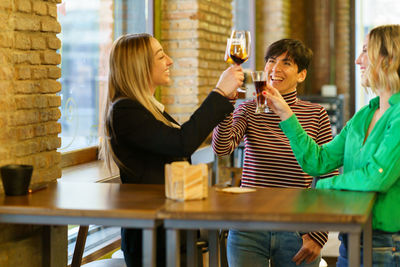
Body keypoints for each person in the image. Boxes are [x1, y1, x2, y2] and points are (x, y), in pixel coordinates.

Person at [99, 33, 244, 267]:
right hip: (151, 238)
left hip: (168, 230)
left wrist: (224, 99)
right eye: (160, 56)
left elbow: (179, 143)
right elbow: (182, 142)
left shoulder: (147, 109)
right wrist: (218, 92)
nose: (170, 61)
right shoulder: (125, 111)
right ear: (140, 66)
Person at [266, 25, 400, 266]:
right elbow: (318, 161)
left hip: (387, 245)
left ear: (388, 59)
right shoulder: (363, 116)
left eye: (365, 51)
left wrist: (325, 186)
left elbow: (376, 177)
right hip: (352, 238)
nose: (359, 60)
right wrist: (287, 115)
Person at [212, 38, 338, 266]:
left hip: (297, 229)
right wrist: (227, 101)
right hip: (248, 227)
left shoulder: (316, 114)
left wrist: (318, 234)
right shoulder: (249, 108)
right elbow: (222, 148)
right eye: (271, 60)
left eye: (286, 63)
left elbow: (328, 175)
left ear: (301, 75)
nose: (275, 68)